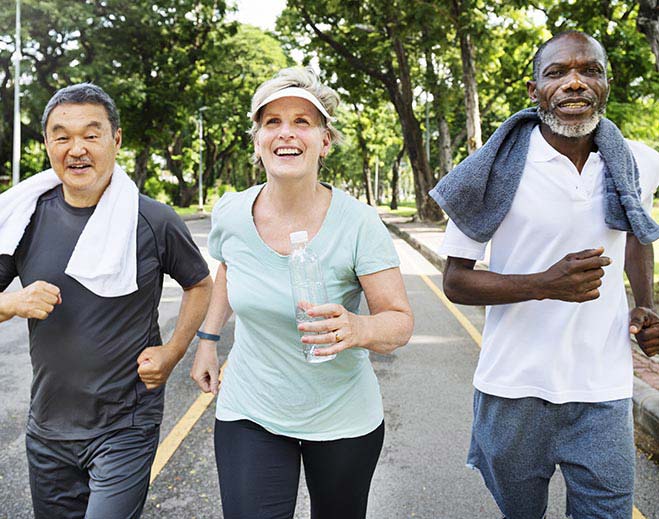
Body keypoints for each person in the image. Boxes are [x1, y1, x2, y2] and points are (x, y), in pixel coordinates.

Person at [430, 31, 659, 519]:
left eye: (589, 71)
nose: (574, 83)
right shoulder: (489, 171)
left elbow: (638, 230)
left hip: (603, 388)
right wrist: (543, 285)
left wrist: (646, 304)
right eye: (557, 73)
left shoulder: (639, 161)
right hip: (513, 390)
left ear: (605, 84)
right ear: (534, 92)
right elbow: (455, 281)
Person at [190, 67, 414, 519]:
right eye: (272, 122)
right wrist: (208, 341)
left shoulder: (358, 223)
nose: (285, 133)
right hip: (250, 408)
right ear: (257, 140)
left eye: (302, 121)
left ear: (324, 141)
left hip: (341, 416)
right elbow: (230, 269)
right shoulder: (232, 212)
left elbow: (399, 322)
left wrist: (357, 327)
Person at [0, 83, 212, 519]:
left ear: (115, 140)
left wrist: (172, 353)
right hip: (48, 429)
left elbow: (200, 285)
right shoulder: (23, 218)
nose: (76, 148)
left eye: (91, 134)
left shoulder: (153, 220)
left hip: (125, 424)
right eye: (62, 136)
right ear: (47, 145)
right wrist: (14, 302)